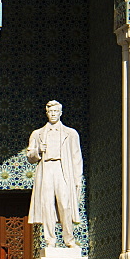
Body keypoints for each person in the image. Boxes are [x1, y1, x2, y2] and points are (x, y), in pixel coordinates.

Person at [26, 100, 82, 249]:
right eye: (50, 112)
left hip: (62, 169)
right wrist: (38, 150)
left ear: (60, 113)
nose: (53, 114)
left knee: (65, 204)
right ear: (47, 113)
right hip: (46, 169)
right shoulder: (37, 134)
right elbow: (30, 156)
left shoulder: (70, 134)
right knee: (47, 204)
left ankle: (69, 239)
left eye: (55, 112)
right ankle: (50, 240)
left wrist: (78, 179)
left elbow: (77, 158)